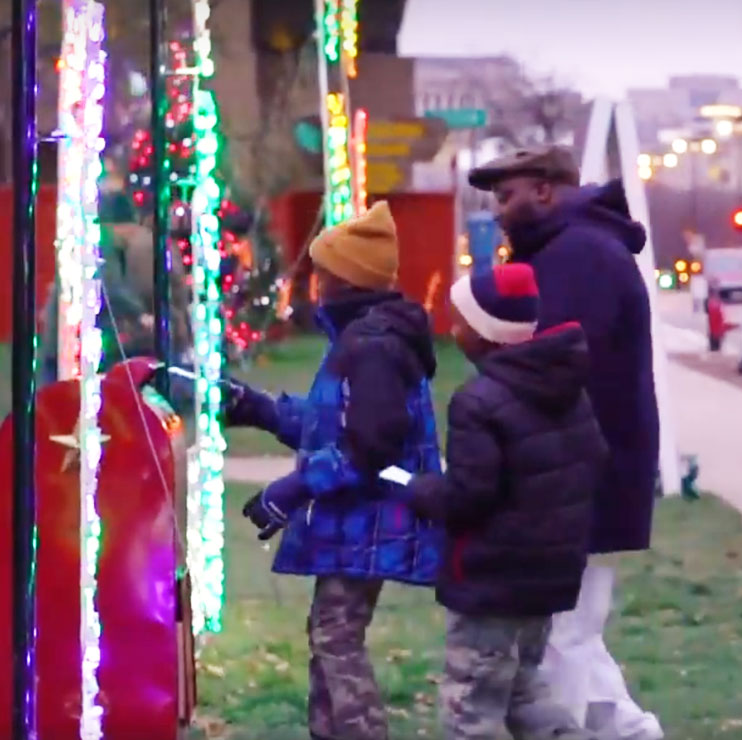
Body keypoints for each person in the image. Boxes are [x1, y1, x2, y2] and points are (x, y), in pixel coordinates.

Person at [212, 201, 443, 740]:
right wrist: (262, 409)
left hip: (372, 521)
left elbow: (366, 450)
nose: (313, 282)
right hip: (355, 524)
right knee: (328, 633)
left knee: (337, 637)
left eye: (321, 272)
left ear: (344, 278)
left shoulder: (375, 349)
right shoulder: (358, 340)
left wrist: (292, 489)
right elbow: (332, 425)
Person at [468, 146, 663, 740]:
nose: (499, 212)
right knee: (567, 631)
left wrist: (489, 357)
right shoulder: (574, 249)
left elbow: (557, 362)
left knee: (561, 635)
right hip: (582, 469)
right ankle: (629, 733)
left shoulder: (579, 255)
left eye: (507, 196)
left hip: (582, 474)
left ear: (545, 190)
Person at [393, 263, 607, 740]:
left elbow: (469, 496)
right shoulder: (568, 391)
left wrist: (423, 490)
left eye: (462, 321)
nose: (453, 330)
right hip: (546, 579)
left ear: (486, 333)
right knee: (524, 693)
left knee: (472, 709)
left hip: (491, 584)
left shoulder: (478, 401)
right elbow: (592, 459)